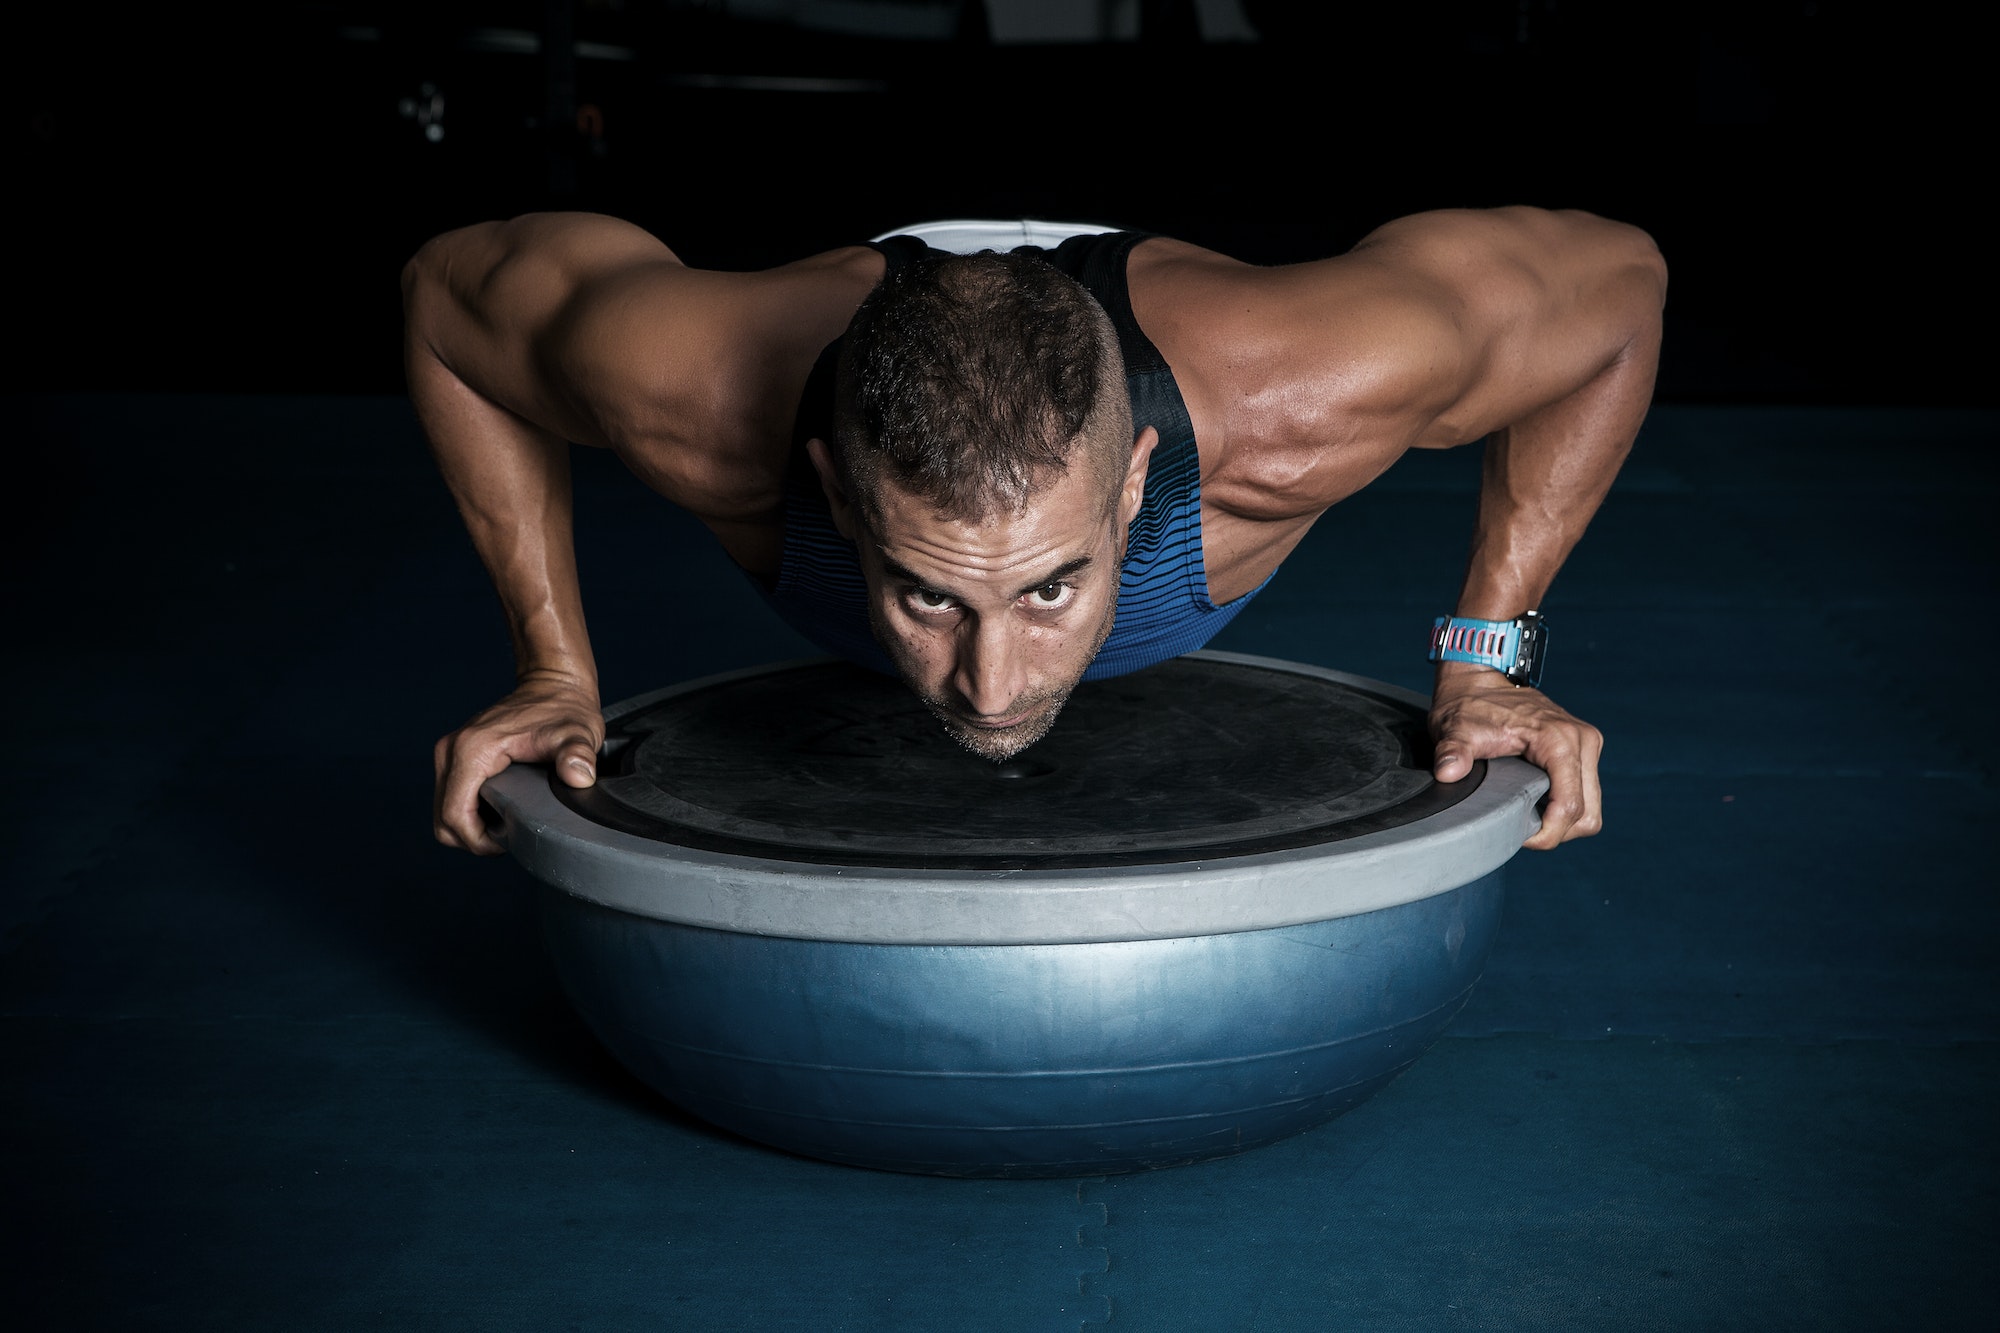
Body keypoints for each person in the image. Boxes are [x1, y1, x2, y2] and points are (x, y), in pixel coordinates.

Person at [406, 208, 1666, 857]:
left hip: (1190, 349)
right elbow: (442, 297)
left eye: (1050, 589)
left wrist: (1485, 656)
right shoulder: (691, 402)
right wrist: (551, 668)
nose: (989, 686)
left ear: (1130, 492)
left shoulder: (1307, 401)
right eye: (928, 597)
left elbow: (1620, 283)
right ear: (837, 499)